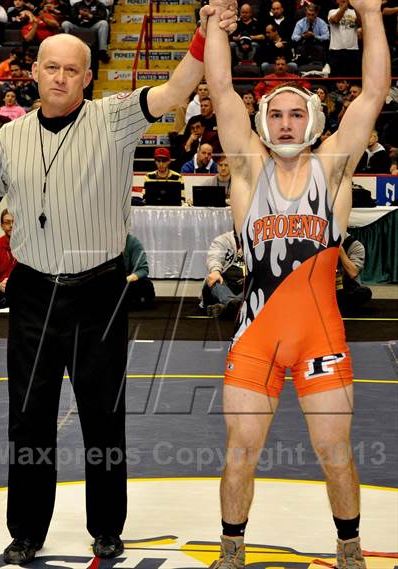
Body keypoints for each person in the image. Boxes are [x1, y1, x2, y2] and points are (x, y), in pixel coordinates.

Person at [0, 10, 237, 563]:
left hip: (98, 293)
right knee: (28, 417)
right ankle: (25, 532)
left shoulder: (115, 118)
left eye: (73, 69)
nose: (60, 77)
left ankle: (107, 528)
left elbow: (176, 88)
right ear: (34, 71)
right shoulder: (7, 138)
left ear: (89, 76)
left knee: (102, 416)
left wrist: (205, 28)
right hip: (31, 294)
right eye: (51, 67)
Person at [203, 1, 390, 568]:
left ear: (314, 121)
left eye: (295, 114)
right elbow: (220, 86)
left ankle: (350, 550)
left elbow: (374, 93)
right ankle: (232, 550)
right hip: (255, 337)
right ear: (262, 122)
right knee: (241, 453)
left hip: (320, 340)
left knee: (335, 453)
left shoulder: (331, 168)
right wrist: (214, 24)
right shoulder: (247, 171)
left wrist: (371, 12)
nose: (285, 123)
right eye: (276, 114)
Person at [201, 229, 244, 318]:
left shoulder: (258, 242)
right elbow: (214, 257)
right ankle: (235, 305)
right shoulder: (223, 240)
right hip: (224, 284)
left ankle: (225, 308)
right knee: (213, 281)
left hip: (245, 286)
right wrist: (215, 271)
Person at [336, 233, 372, 313]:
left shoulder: (356, 246)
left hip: (343, 284)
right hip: (324, 283)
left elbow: (353, 273)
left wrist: (340, 251)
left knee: (364, 293)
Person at [123, 233, 155, 308]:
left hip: (127, 281)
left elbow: (143, 269)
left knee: (146, 285)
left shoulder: (132, 241)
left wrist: (126, 280)